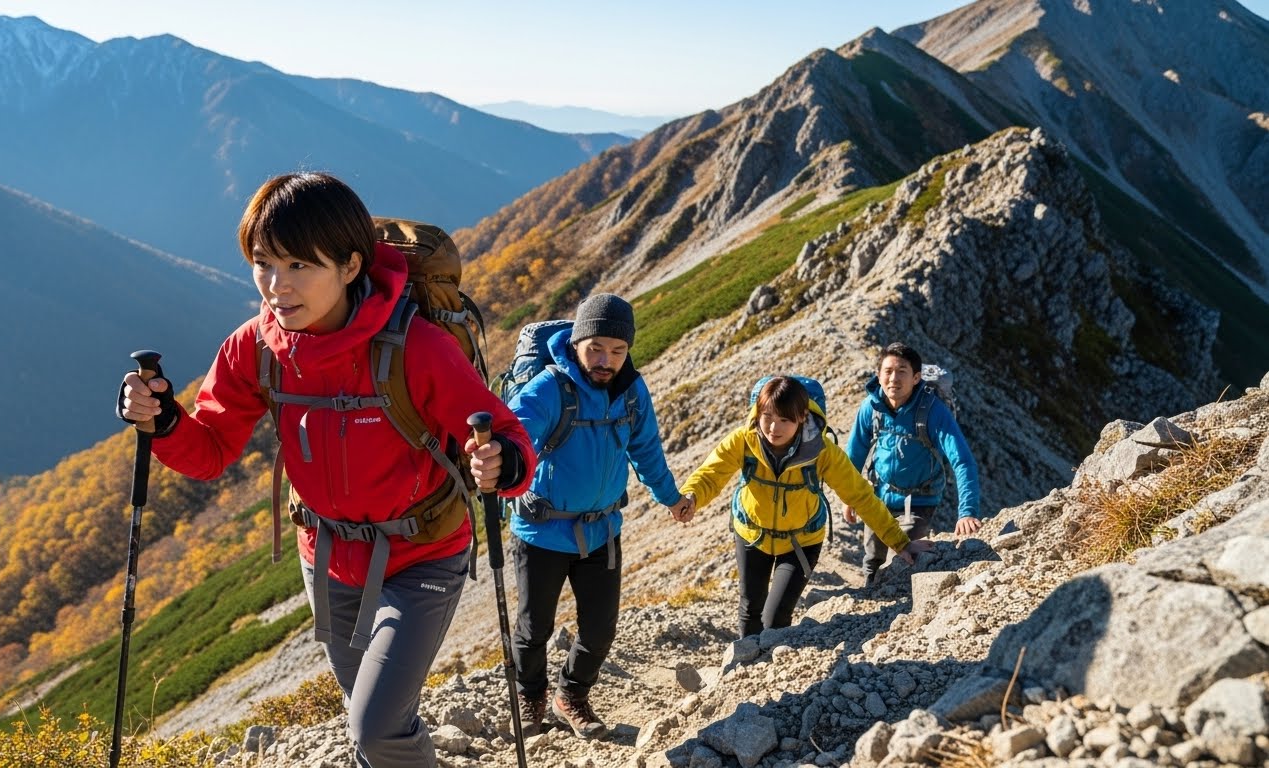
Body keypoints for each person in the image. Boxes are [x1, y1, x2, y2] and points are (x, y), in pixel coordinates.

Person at [116, 172, 535, 768]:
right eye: (263, 264)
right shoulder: (256, 348)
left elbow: (505, 433)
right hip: (327, 558)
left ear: (350, 266)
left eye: (299, 266)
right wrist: (163, 422)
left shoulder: (415, 347)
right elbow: (209, 451)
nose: (276, 285)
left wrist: (503, 462)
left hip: (423, 553)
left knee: (376, 729)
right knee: (369, 719)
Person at [504, 293, 693, 740]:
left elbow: (646, 450)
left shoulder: (632, 392)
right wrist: (499, 457)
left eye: (617, 350)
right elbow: (517, 430)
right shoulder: (551, 386)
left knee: (601, 629)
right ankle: (530, 695)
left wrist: (671, 498)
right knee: (534, 628)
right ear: (576, 343)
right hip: (541, 532)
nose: (606, 360)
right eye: (596, 349)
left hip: (602, 531)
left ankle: (570, 695)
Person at [680, 376, 930, 638]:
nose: (773, 427)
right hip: (752, 535)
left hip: (801, 542)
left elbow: (861, 497)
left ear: (801, 417)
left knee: (776, 617)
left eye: (784, 420)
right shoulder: (743, 441)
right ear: (757, 411)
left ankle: (773, 659)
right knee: (751, 608)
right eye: (767, 416)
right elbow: (711, 474)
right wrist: (691, 497)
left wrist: (901, 542)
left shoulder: (821, 451)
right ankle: (747, 659)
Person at [844, 342, 981, 589]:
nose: (893, 378)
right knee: (872, 557)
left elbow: (962, 460)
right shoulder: (871, 407)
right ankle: (870, 594)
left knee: (905, 551)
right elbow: (854, 454)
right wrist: (849, 497)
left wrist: (967, 512)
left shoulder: (933, 411)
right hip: (878, 496)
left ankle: (901, 597)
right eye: (888, 371)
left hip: (919, 499)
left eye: (902, 371)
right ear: (878, 375)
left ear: (916, 378)